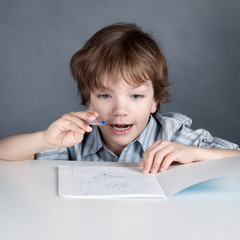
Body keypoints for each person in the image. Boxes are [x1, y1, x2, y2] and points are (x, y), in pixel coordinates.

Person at [0, 23, 239, 174]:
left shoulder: (174, 136)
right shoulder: (76, 139)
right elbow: (4, 153)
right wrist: (45, 139)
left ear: (155, 101)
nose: (120, 110)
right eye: (105, 95)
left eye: (136, 95)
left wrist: (194, 154)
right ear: (88, 101)